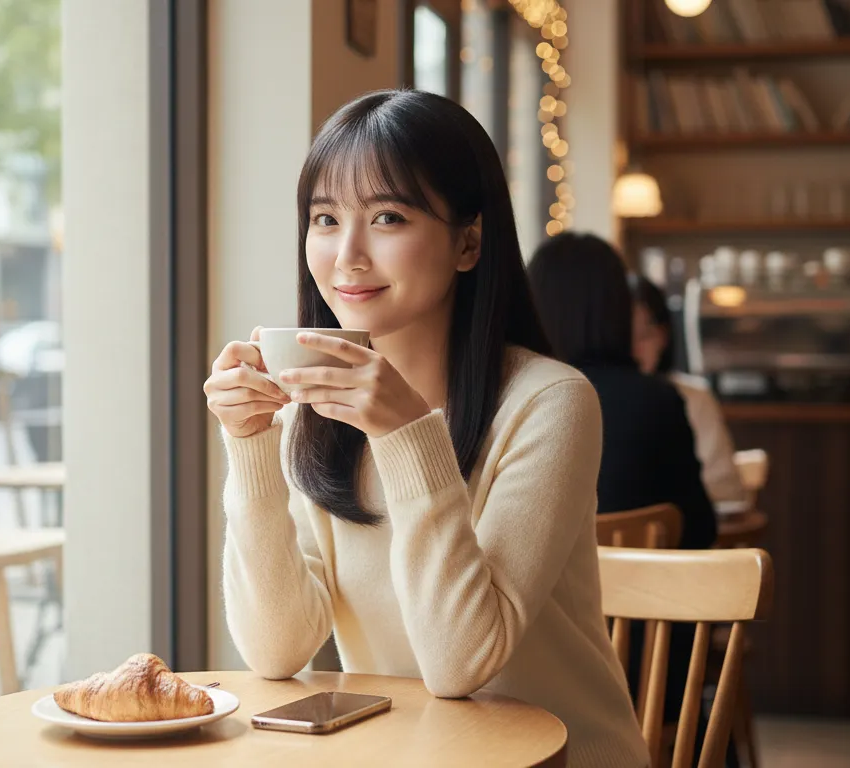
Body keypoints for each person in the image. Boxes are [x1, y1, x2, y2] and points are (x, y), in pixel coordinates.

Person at [204, 90, 648, 767]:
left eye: (387, 217)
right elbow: (276, 649)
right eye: (325, 219)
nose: (347, 255)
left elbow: (461, 661)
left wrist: (407, 435)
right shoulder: (316, 411)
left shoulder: (550, 402)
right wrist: (251, 445)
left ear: (468, 242)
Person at [527, 232, 716, 549]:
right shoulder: (657, 400)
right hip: (643, 580)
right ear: (618, 308)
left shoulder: (514, 398)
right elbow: (699, 528)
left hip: (537, 582)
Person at [630, 274, 747, 507]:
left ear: (663, 336)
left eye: (644, 335)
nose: (634, 349)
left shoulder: (692, 397)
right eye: (624, 337)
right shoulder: (589, 398)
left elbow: (724, 489)